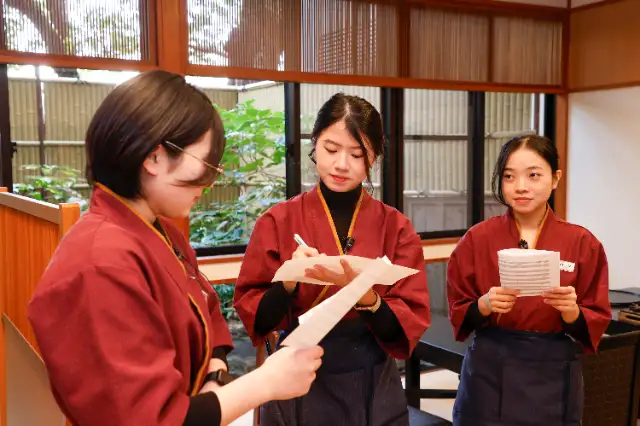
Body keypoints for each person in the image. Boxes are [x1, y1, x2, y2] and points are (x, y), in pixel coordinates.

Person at [26, 70, 324, 426]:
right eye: (207, 165)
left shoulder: (160, 231)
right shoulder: (100, 264)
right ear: (153, 158)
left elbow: (206, 307)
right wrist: (265, 382)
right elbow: (146, 418)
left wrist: (214, 373)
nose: (208, 183)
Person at [233, 92, 431, 426]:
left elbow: (406, 323)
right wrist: (288, 282)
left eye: (357, 154)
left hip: (370, 373)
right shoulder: (278, 221)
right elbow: (258, 317)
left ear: (374, 156)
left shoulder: (396, 226)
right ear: (314, 143)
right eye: (331, 149)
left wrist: (370, 300)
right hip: (296, 372)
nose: (341, 164)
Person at [446, 135, 611, 426]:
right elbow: (459, 313)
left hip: (552, 370)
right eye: (509, 176)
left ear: (555, 178)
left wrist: (572, 312)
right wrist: (484, 304)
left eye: (533, 175)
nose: (520, 186)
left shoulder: (583, 242)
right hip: (489, 366)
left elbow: (595, 318)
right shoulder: (477, 239)